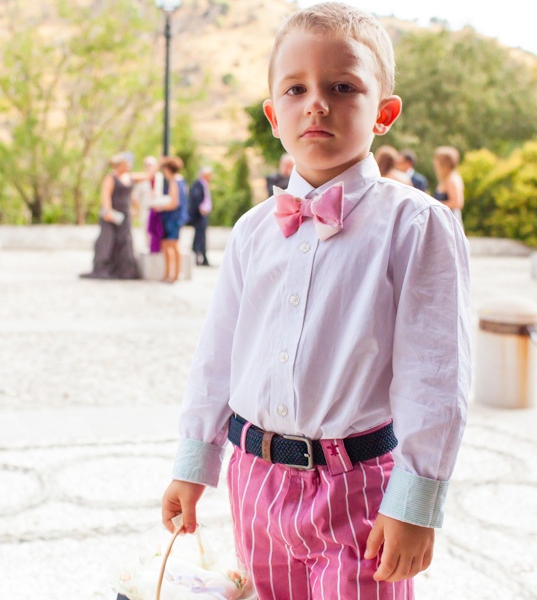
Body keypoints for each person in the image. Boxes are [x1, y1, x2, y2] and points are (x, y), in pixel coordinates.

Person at [161, 3, 471, 598]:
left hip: (358, 489)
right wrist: (193, 462)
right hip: (254, 481)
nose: (317, 103)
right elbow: (217, 354)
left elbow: (436, 374)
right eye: (296, 88)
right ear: (274, 115)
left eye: (342, 86)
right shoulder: (253, 230)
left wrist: (416, 501)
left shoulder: (415, 225)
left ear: (384, 112)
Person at [79, 153, 142, 280]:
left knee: (124, 240)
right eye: (126, 164)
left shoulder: (128, 177)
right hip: (111, 215)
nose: (128, 166)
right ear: (120, 165)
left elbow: (134, 192)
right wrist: (108, 211)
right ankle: (103, 268)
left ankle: (124, 269)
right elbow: (106, 195)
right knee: (107, 240)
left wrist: (136, 208)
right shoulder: (111, 178)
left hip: (124, 215)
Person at [154, 156, 188, 283]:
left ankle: (173, 274)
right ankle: (172, 273)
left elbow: (174, 202)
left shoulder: (174, 182)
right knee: (172, 245)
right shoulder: (182, 181)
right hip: (177, 218)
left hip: (172, 218)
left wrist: (160, 207)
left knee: (171, 246)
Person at [188, 166, 213, 267]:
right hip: (199, 216)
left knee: (201, 236)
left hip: (203, 215)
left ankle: (202, 256)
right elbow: (196, 198)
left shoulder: (204, 184)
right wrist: (200, 209)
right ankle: (200, 256)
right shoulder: (198, 184)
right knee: (200, 237)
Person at [432, 146, 464, 224]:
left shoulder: (452, 179)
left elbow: (457, 203)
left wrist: (434, 205)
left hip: (450, 221)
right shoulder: (447, 178)